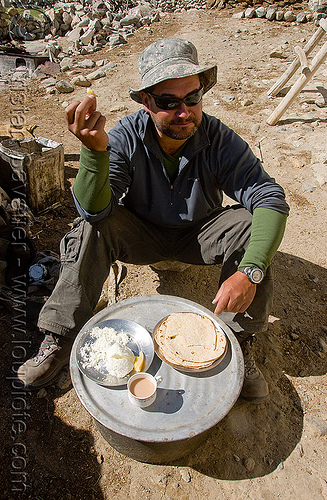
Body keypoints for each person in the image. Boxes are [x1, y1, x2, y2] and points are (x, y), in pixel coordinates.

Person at [17, 38, 289, 402]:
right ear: (146, 102)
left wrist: (251, 270)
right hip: (141, 234)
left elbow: (269, 196)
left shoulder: (218, 138)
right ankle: (61, 336)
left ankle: (239, 341)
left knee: (249, 225)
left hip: (199, 235)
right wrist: (94, 152)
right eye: (168, 102)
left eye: (192, 98)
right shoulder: (127, 137)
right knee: (90, 228)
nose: (184, 111)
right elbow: (93, 209)